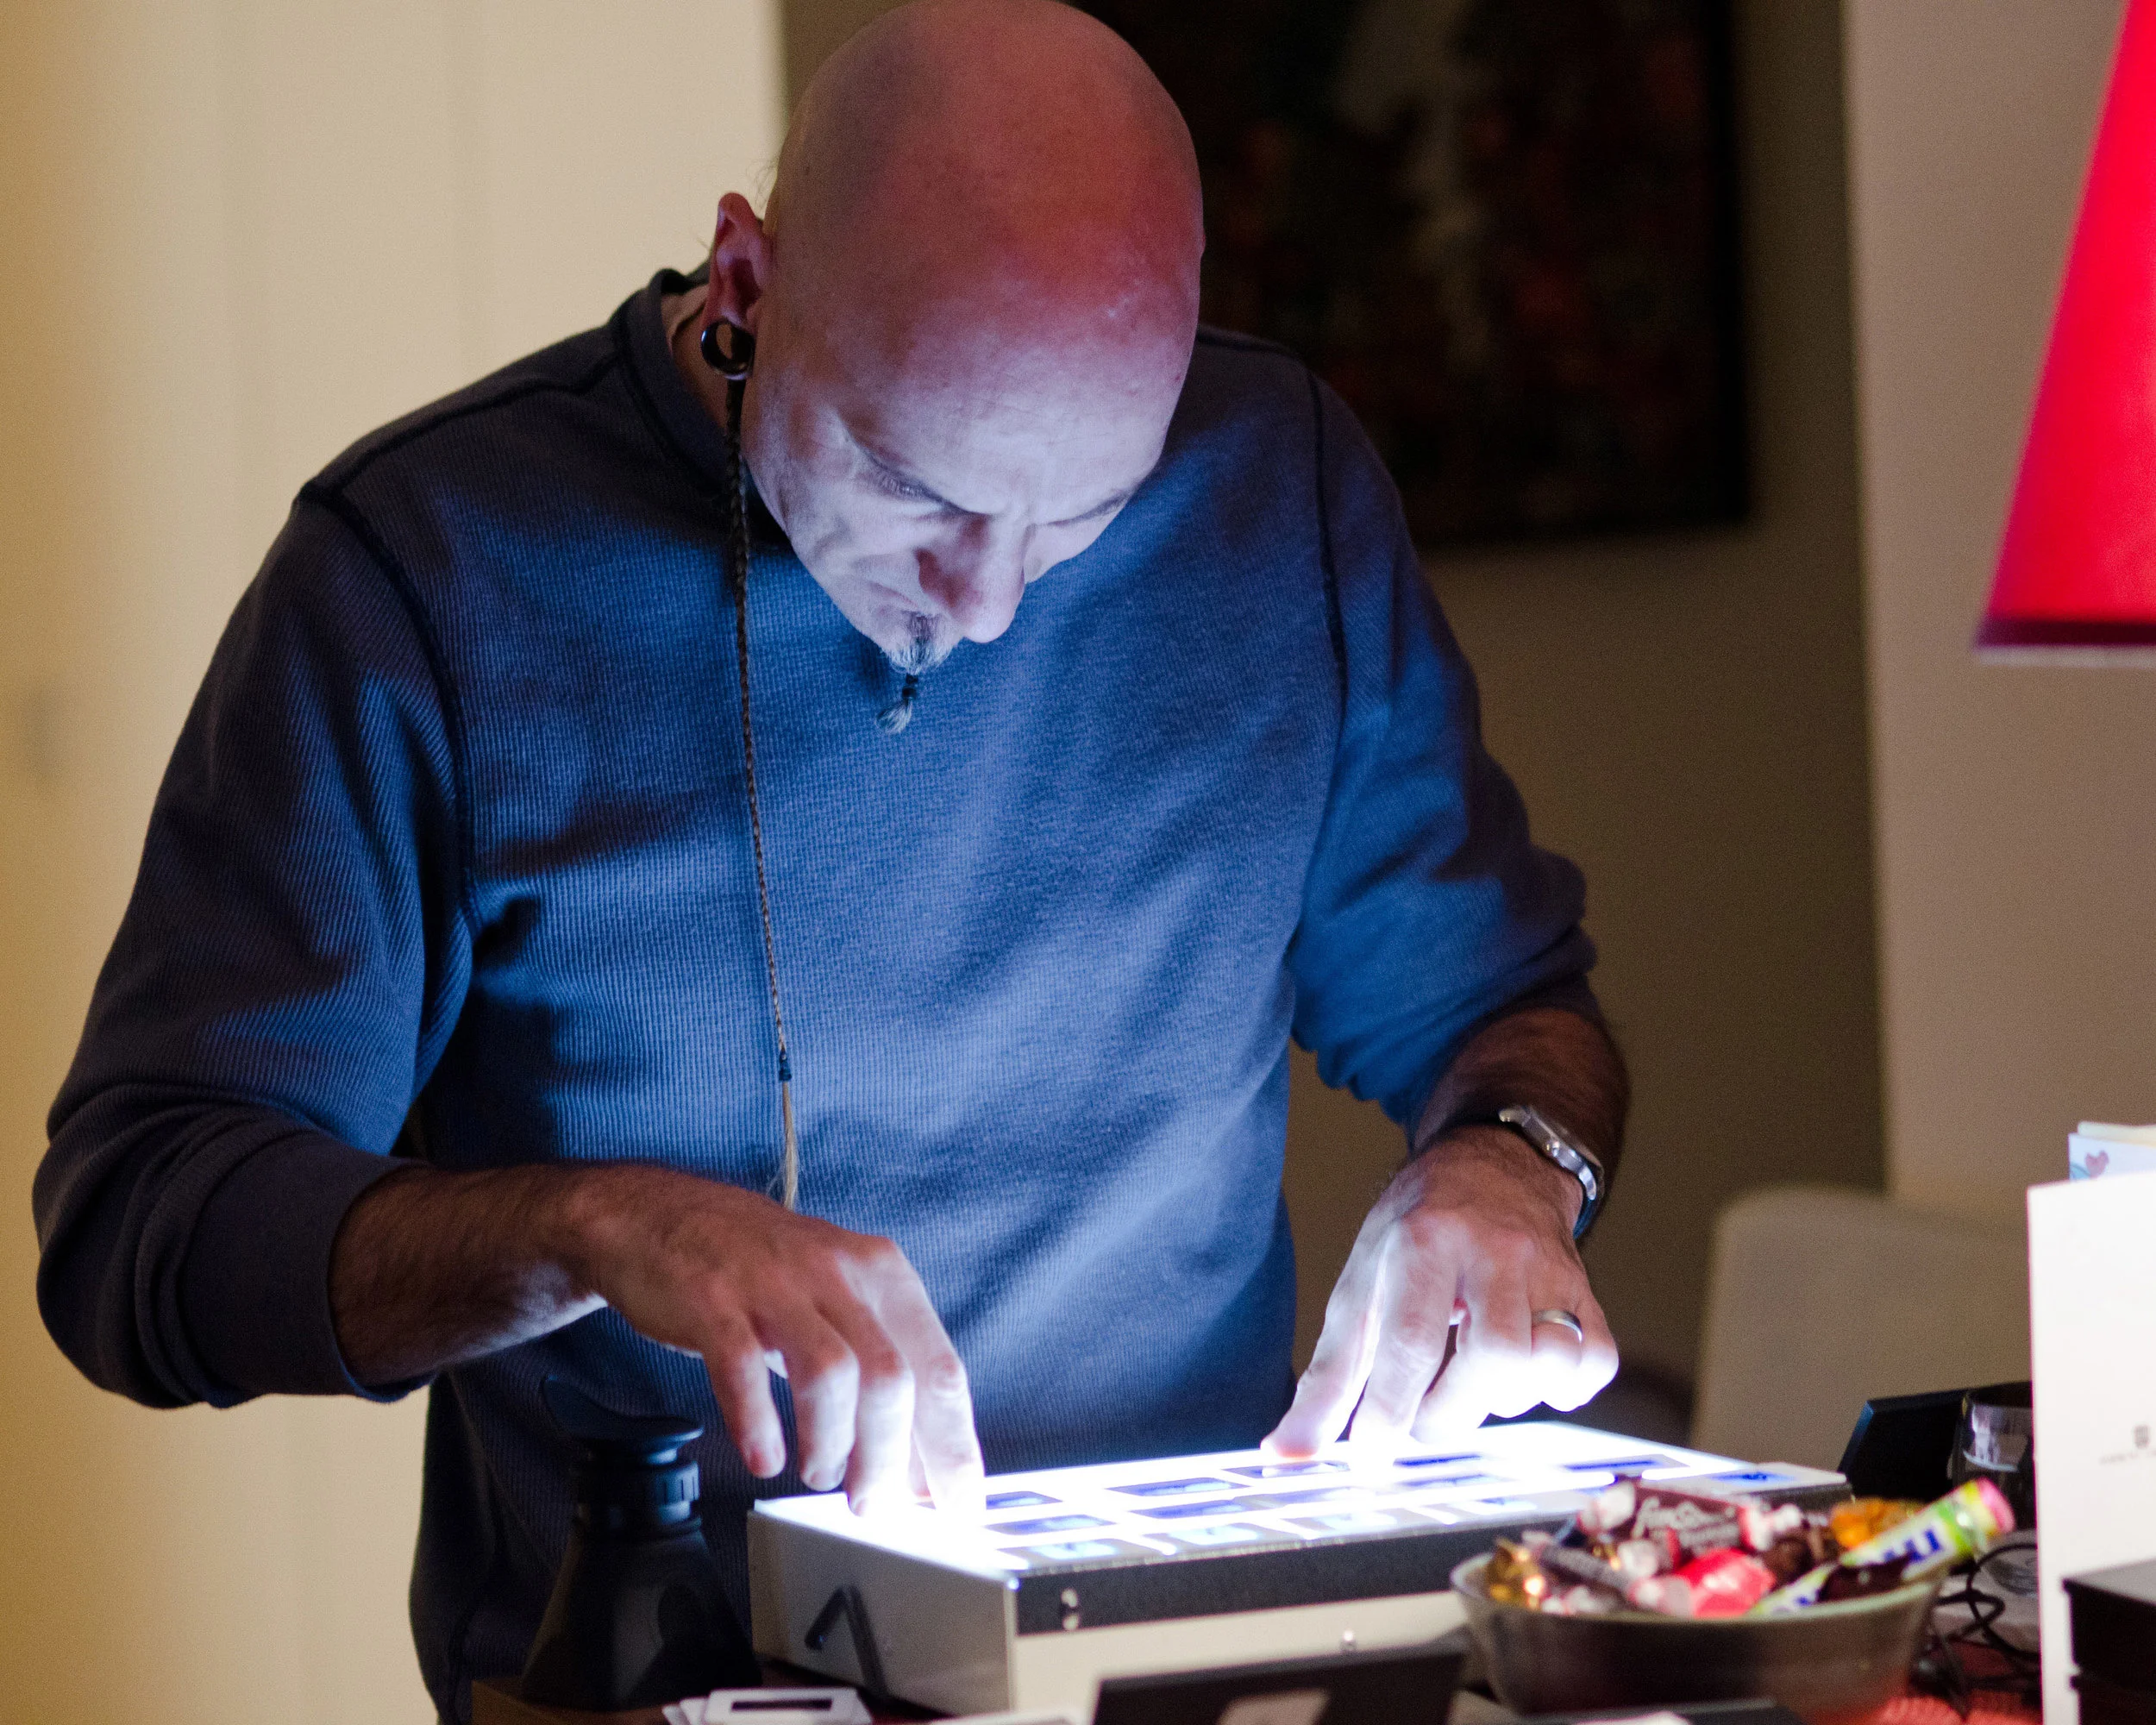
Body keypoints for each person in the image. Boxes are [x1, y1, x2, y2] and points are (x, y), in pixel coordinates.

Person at [33, 0, 1628, 1716]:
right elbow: (140, 1233)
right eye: (919, 495)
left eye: (1080, 515)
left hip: (1203, 1667)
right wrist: (585, 1224)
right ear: (743, 285)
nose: (988, 600)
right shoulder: (413, 576)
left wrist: (1506, 1161)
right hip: (664, 1680)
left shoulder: (1277, 488)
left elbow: (1509, 1012)